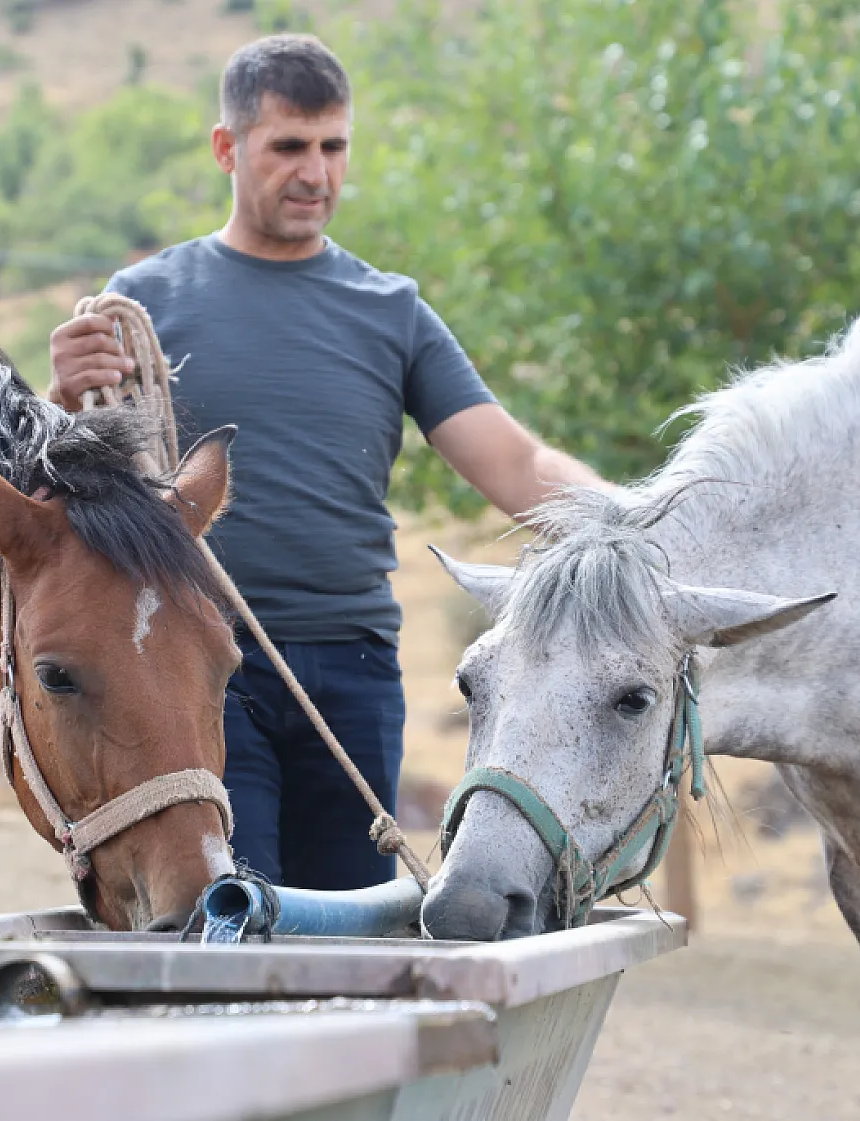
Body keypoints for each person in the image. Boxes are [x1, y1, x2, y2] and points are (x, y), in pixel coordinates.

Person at [46, 33, 610, 891]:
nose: (316, 172)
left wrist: (640, 526)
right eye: (288, 147)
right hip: (198, 667)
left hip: (354, 673)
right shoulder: (145, 303)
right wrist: (59, 394)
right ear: (227, 149)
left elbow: (515, 459)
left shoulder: (391, 310)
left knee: (354, 929)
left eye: (333, 147)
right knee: (229, 920)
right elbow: (58, 492)